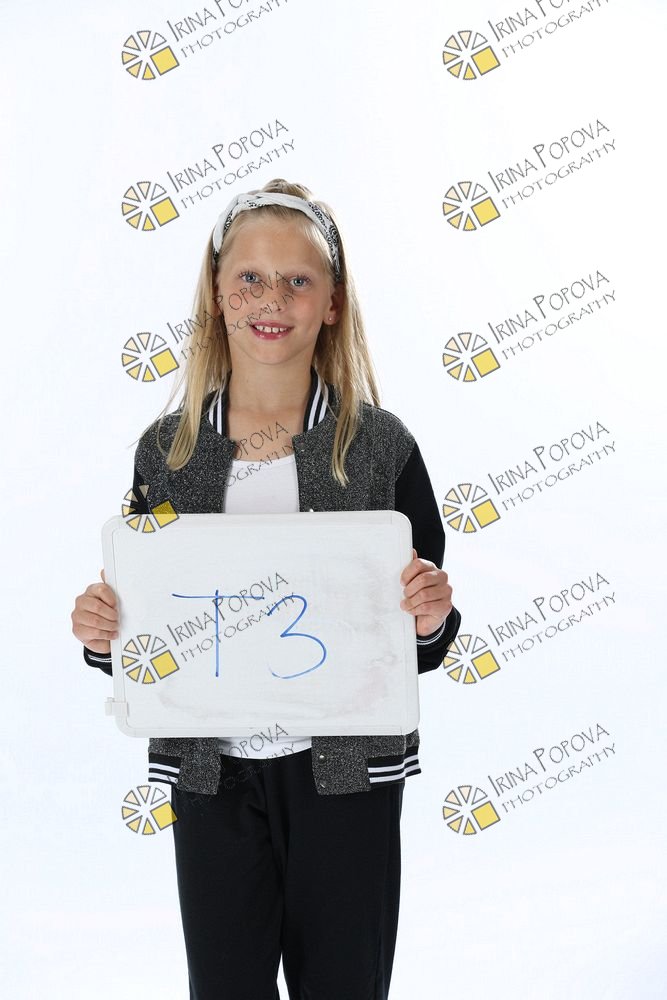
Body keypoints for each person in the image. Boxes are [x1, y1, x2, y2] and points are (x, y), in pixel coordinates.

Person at [71, 178, 462, 1000]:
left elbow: (421, 637)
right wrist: (104, 634)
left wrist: (430, 616)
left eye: (297, 280)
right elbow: (149, 622)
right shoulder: (169, 452)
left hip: (346, 774)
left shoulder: (380, 448)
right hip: (211, 774)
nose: (270, 299)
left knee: (345, 983)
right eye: (248, 277)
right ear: (216, 295)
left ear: (332, 302)